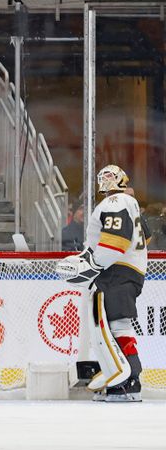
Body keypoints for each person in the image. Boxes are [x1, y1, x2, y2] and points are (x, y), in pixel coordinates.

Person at [56, 165, 149, 402]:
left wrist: (93, 264)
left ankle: (128, 382)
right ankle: (124, 379)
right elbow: (144, 236)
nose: (106, 180)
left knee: (116, 327)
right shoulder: (130, 202)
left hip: (117, 272)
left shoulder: (114, 202)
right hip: (128, 271)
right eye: (104, 176)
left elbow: (116, 241)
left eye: (110, 176)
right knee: (114, 325)